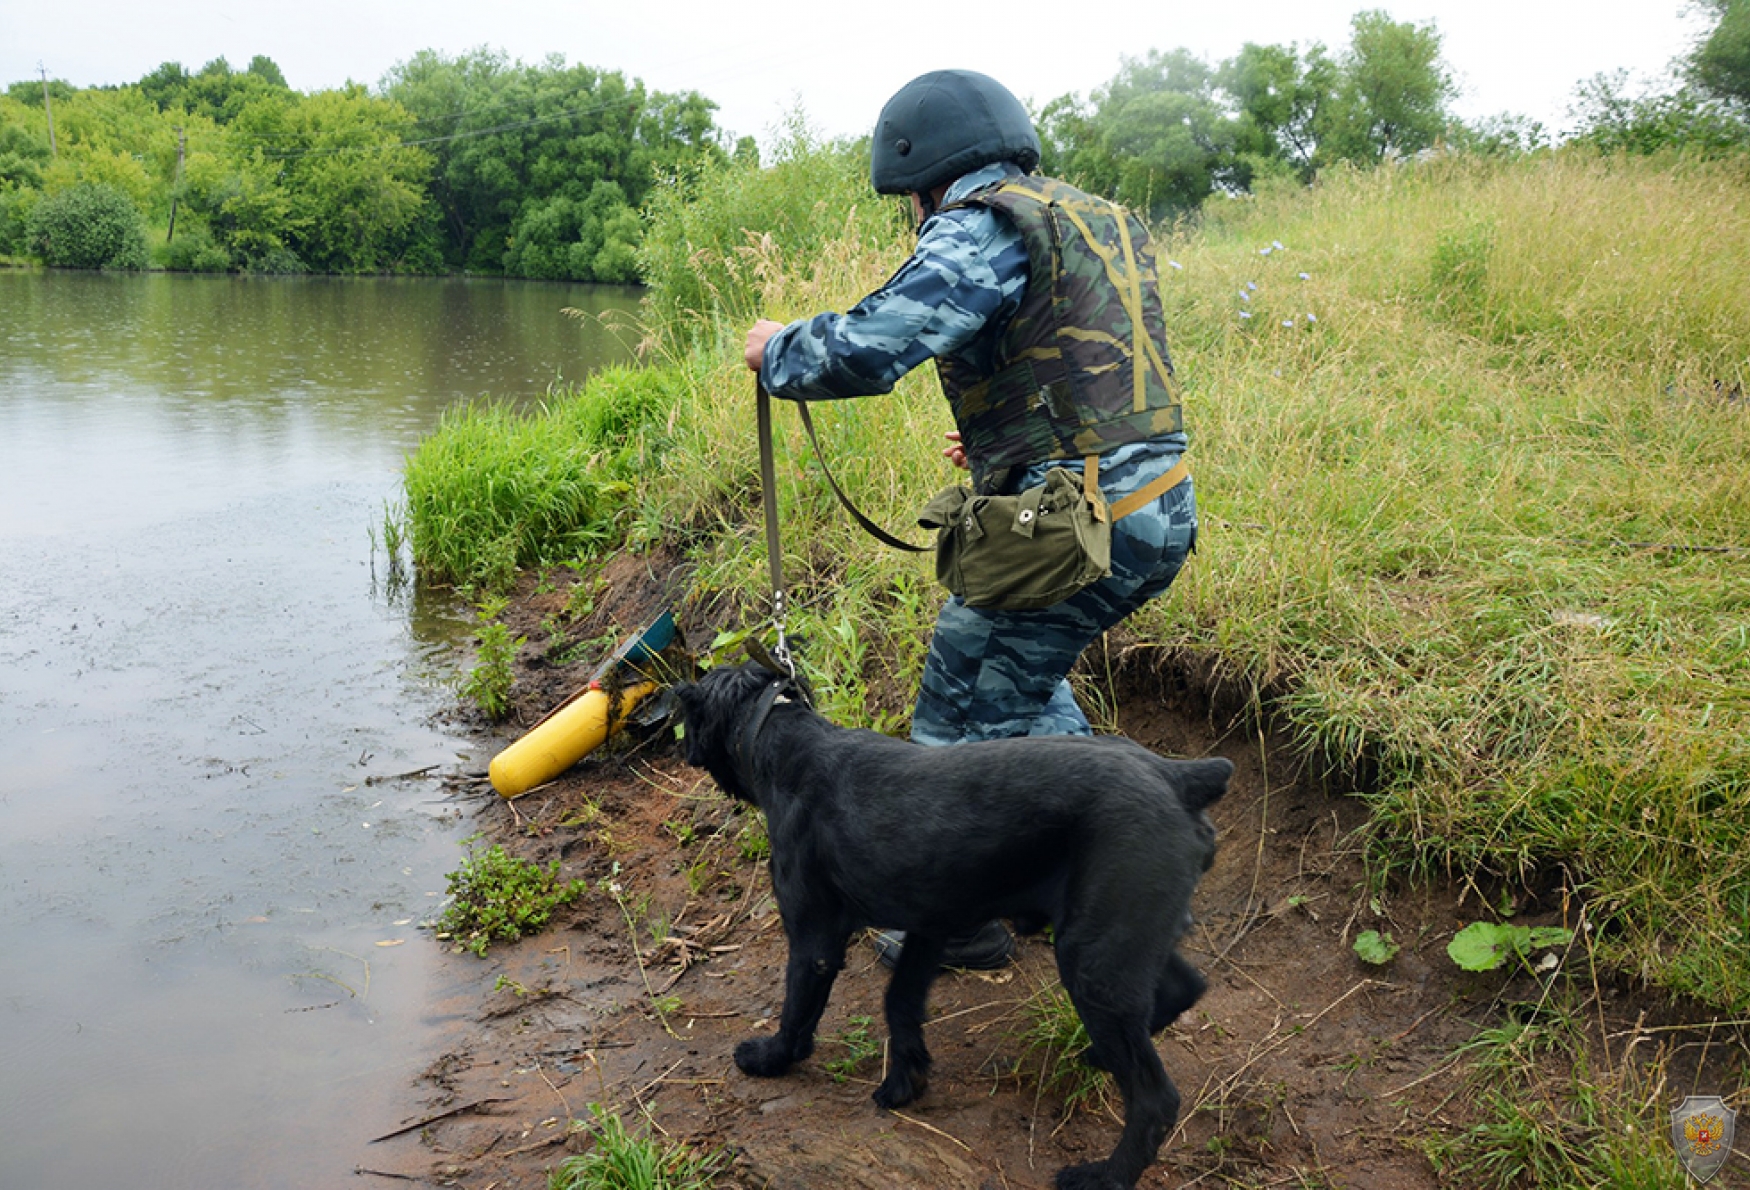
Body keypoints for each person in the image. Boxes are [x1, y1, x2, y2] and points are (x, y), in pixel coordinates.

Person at [742, 69, 1198, 970]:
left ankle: (954, 922)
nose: (913, 215)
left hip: (1079, 527)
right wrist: (1014, 441)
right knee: (1023, 694)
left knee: (953, 720)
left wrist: (779, 349)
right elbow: (1084, 360)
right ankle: (1118, 861)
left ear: (924, 182)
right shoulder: (1091, 215)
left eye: (909, 202)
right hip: (1154, 505)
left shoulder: (981, 222)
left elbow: (876, 348)